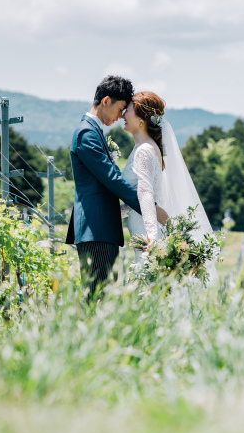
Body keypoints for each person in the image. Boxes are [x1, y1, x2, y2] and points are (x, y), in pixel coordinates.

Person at [65, 76, 169, 298]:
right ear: (106, 101)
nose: (121, 115)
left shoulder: (94, 131)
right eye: (121, 108)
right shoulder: (87, 133)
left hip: (102, 229)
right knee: (97, 298)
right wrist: (149, 206)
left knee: (102, 297)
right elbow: (112, 180)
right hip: (96, 229)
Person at [121, 90, 217, 282]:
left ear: (142, 119)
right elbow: (138, 199)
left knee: (148, 288)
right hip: (146, 226)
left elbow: (146, 193)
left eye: (128, 110)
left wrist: (151, 237)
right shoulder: (147, 147)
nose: (123, 114)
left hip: (147, 234)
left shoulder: (144, 150)